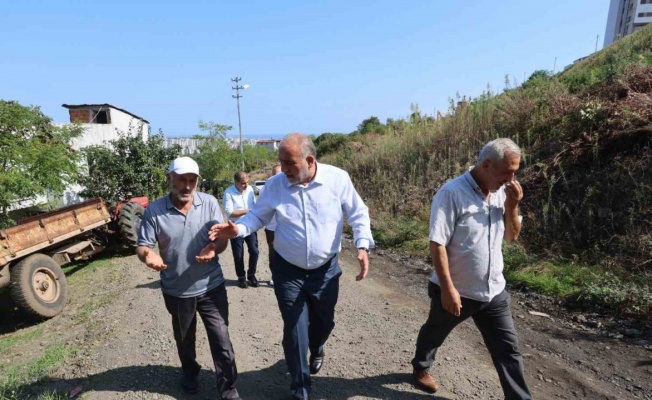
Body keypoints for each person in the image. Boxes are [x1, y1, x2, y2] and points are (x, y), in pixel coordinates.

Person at [209, 133, 374, 400]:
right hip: (288, 271)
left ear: (309, 160)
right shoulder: (275, 186)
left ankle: (318, 346)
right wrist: (237, 229)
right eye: (281, 163)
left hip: (325, 270)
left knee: (323, 322)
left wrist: (363, 246)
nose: (283, 169)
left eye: (289, 163)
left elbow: (358, 212)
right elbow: (257, 216)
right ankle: (301, 389)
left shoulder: (337, 179)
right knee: (295, 327)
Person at [410, 138, 532, 399]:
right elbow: (437, 243)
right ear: (487, 165)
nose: (512, 179)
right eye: (507, 172)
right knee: (435, 332)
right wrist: (447, 289)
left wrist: (512, 206)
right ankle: (420, 368)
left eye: (515, 172)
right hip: (457, 290)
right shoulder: (451, 193)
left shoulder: (502, 192)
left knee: (507, 350)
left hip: (494, 292)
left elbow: (512, 237)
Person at [136, 156, 241, 399]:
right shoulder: (155, 211)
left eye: (192, 181)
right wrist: (147, 256)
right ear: (169, 178)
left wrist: (214, 248)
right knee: (185, 340)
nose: (186, 186)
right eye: (181, 180)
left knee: (221, 339)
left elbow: (221, 239)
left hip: (211, 285)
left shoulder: (210, 203)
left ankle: (229, 389)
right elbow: (143, 246)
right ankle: (190, 373)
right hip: (176, 290)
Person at [223, 171, 260, 289]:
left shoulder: (249, 190)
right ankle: (241, 278)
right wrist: (247, 211)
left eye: (247, 183)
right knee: (238, 254)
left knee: (254, 251)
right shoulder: (228, 193)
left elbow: (254, 205)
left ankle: (251, 275)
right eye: (243, 183)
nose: (246, 185)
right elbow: (230, 213)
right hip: (235, 227)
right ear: (236, 182)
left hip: (250, 225)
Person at [261, 163, 282, 286]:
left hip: (286, 227)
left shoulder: (290, 184)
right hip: (272, 227)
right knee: (273, 253)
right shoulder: (267, 187)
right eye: (275, 174)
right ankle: (275, 276)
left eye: (279, 174)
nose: (277, 176)